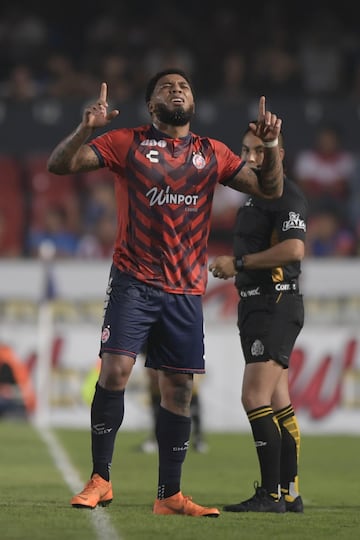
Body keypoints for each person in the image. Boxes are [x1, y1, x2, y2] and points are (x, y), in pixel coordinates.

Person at [47, 68, 283, 517]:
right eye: (166, 87)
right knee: (115, 371)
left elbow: (269, 190)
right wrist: (85, 129)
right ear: (151, 104)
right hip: (133, 281)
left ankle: (169, 496)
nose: (177, 90)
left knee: (178, 390)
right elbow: (60, 165)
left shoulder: (211, 152)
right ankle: (101, 479)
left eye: (185, 86)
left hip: (184, 290)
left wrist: (270, 147)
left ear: (193, 101)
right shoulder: (126, 142)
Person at [209, 125, 308, 513]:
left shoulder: (286, 194)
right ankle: (290, 493)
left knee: (253, 397)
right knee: (279, 401)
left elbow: (295, 248)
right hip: (257, 304)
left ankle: (269, 495)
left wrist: (238, 264)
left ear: (278, 155)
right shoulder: (254, 197)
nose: (250, 159)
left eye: (260, 151)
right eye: (246, 152)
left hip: (275, 302)